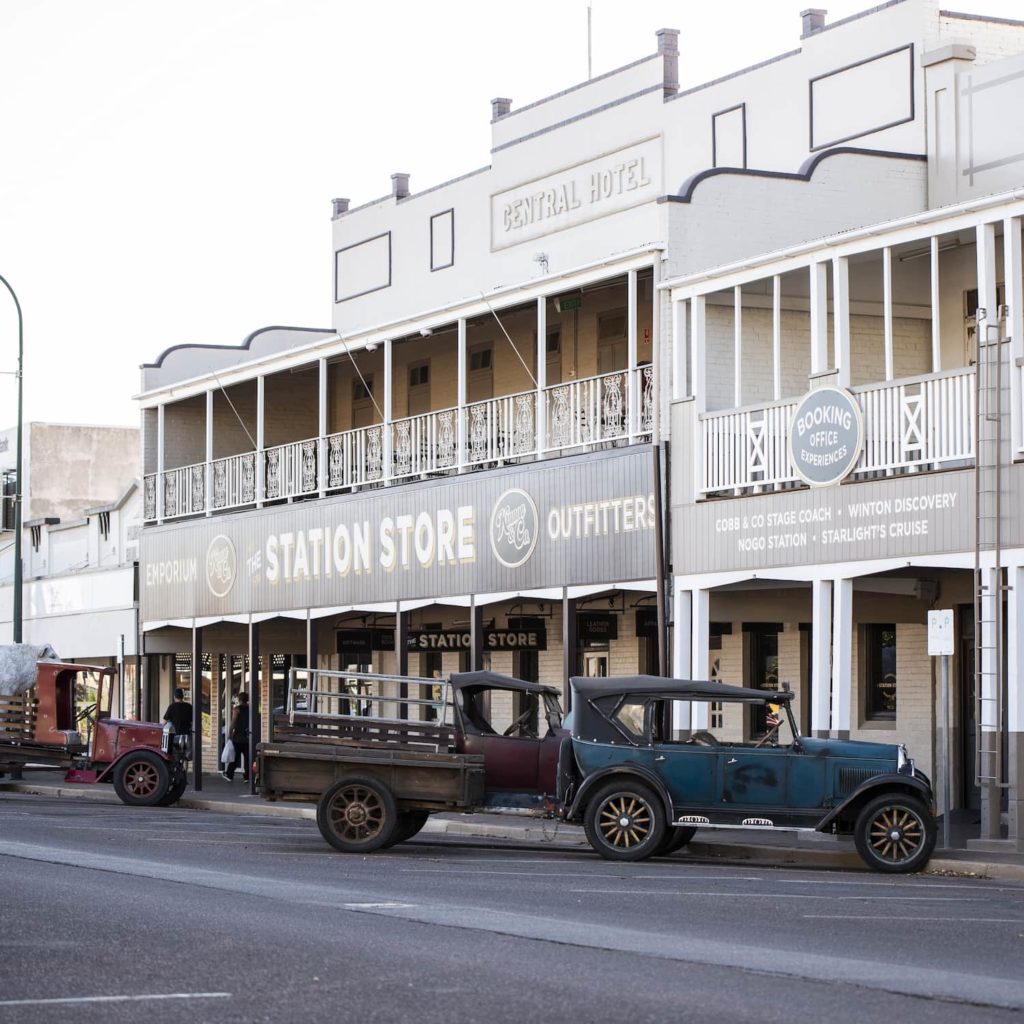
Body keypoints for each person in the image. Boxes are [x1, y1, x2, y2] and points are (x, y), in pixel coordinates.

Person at [225, 691, 250, 782]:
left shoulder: (237, 709)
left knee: (235, 757)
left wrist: (230, 734)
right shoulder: (250, 709)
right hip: (248, 737)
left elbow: (233, 722)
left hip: (238, 737)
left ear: (239, 699)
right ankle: (247, 776)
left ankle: (229, 775)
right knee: (248, 758)